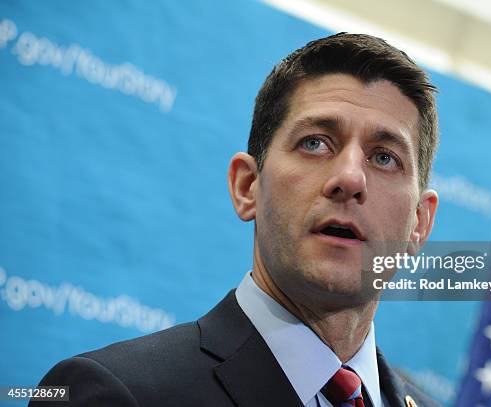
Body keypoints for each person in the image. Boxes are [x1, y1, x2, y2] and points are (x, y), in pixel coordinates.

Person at [31, 33, 440, 407]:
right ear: (248, 187)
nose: (350, 178)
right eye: (315, 143)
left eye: (384, 157)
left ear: (419, 224)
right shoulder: (114, 393)